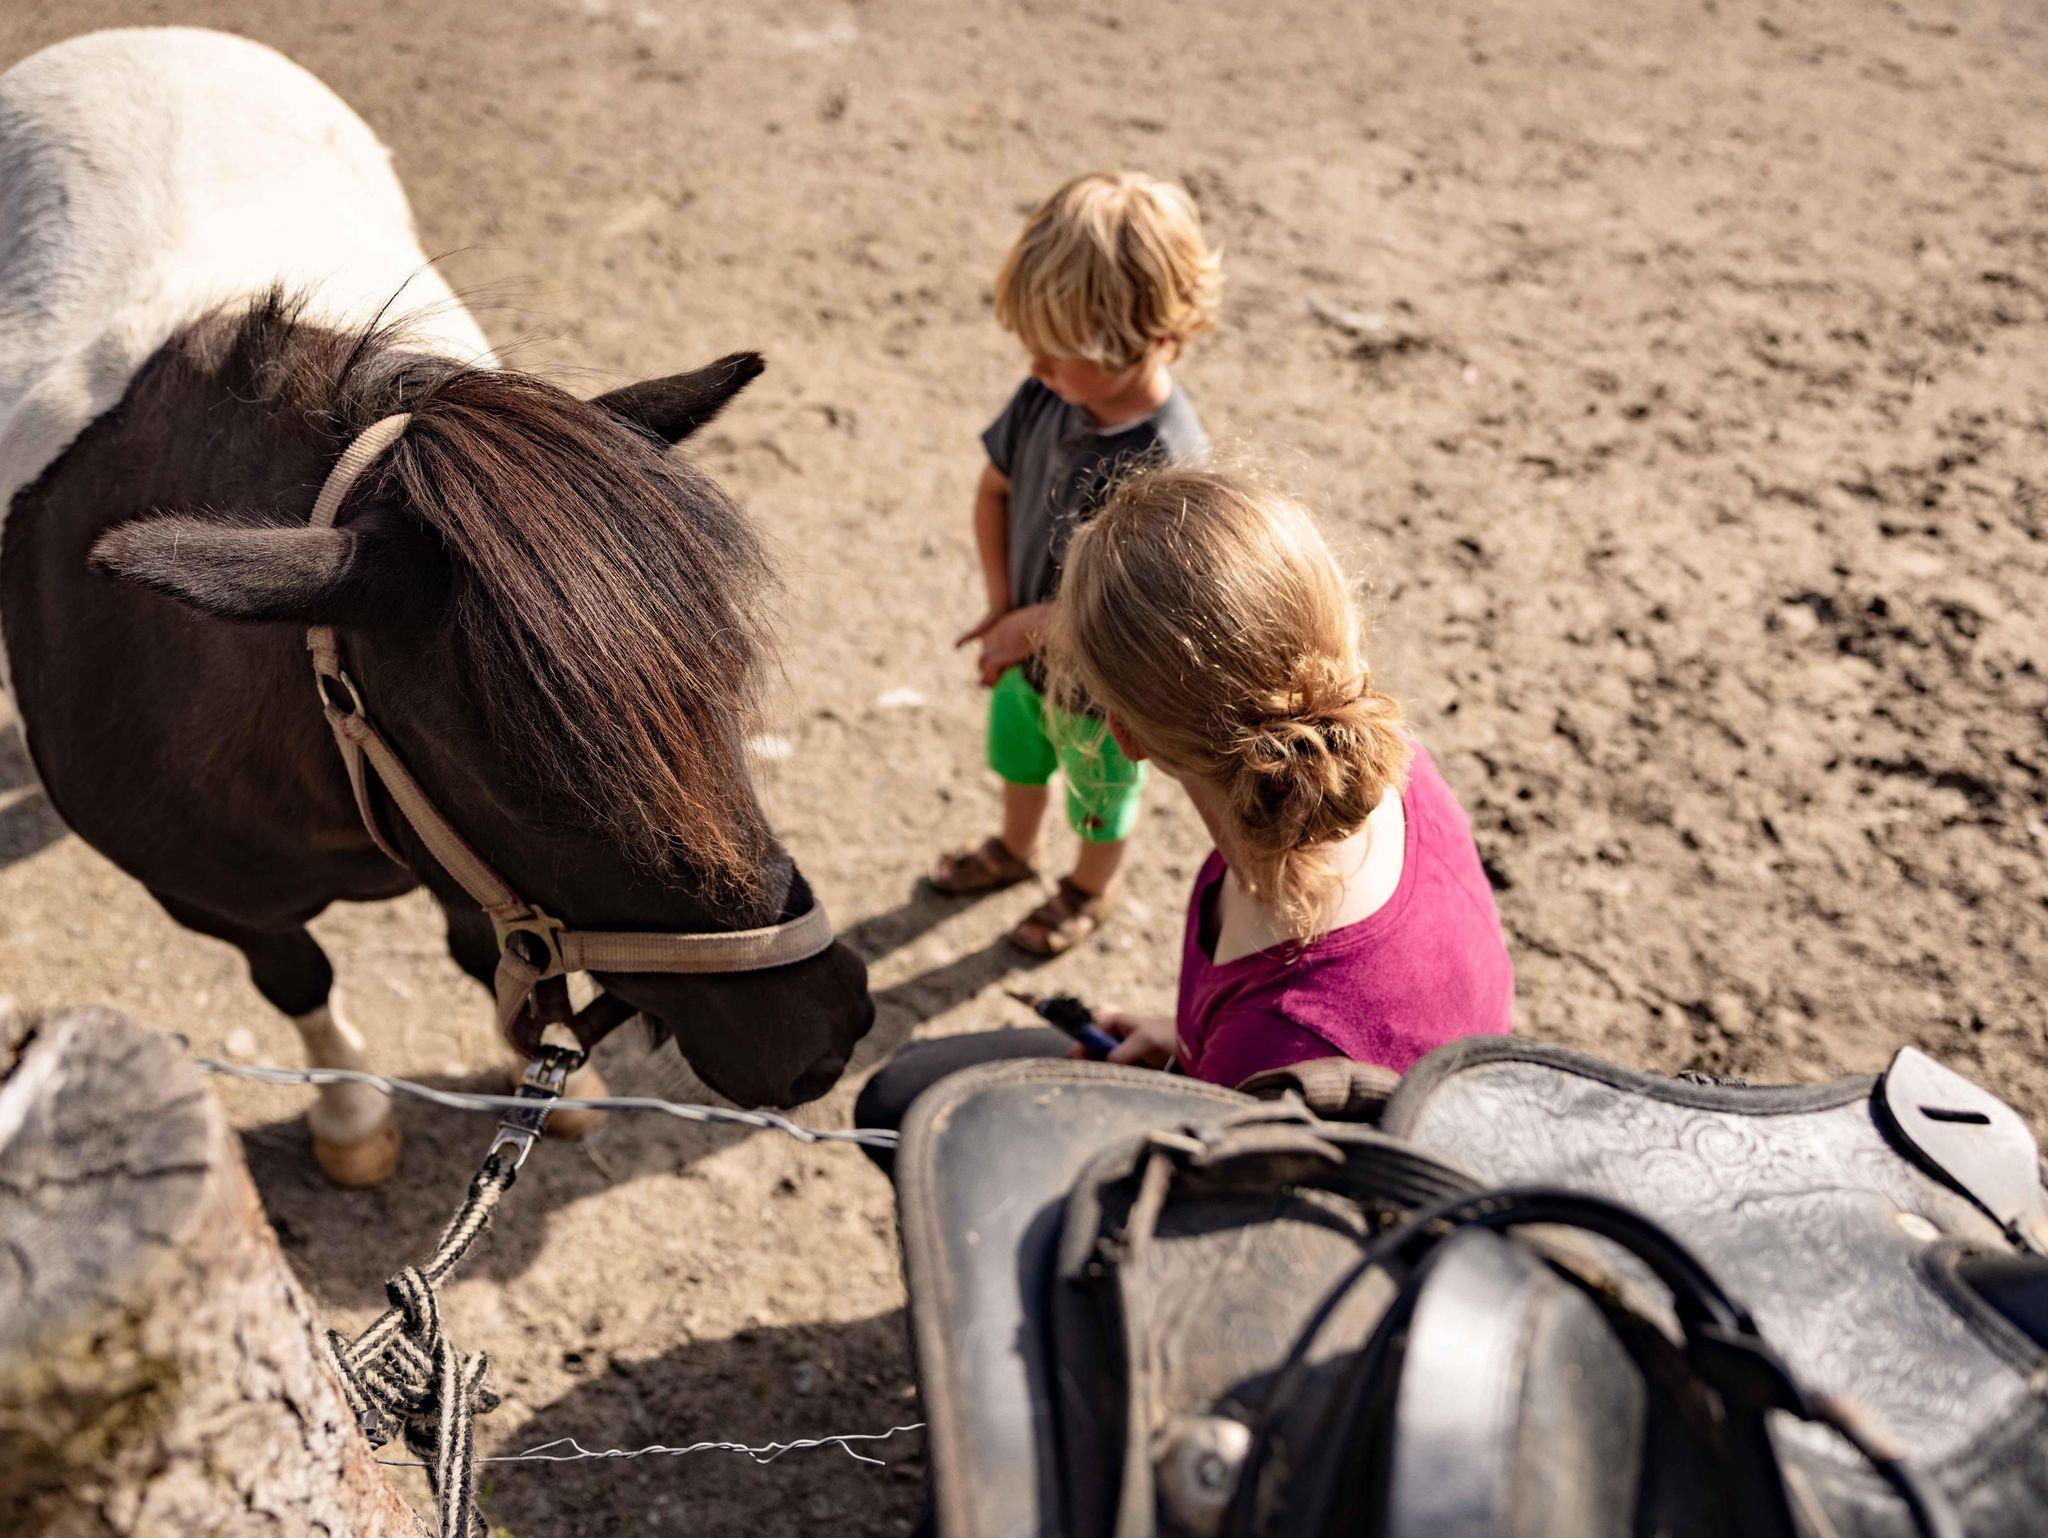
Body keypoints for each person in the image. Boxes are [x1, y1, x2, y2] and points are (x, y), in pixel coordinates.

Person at [860, 468, 1513, 1156]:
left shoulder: (1277, 1047)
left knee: (906, 1108)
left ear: (1124, 735)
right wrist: (1191, 1042)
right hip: (1339, 1102)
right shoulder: (1390, 763)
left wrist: (1218, 1066)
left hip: (1300, 1164)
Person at [930, 171, 1219, 956]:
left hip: (1105, 691)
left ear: (1143, 336)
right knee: (1019, 761)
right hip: (1023, 663)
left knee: (1100, 796)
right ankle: (1015, 850)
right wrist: (1002, 607)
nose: (1034, 367)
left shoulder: (1170, 463)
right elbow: (993, 490)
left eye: (1056, 352)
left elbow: (1142, 607)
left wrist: (1031, 623)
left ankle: (1092, 886)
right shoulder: (1046, 397)